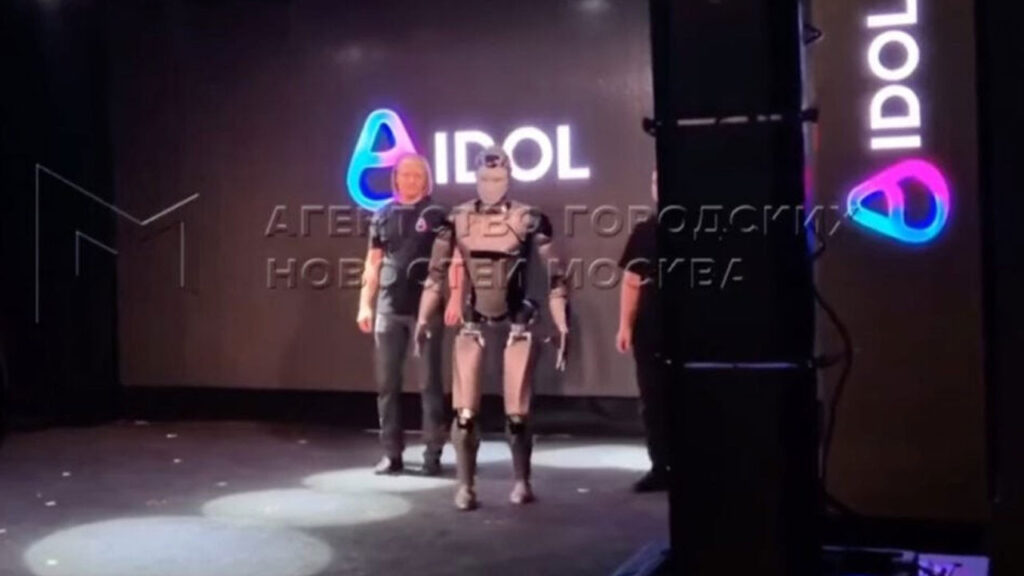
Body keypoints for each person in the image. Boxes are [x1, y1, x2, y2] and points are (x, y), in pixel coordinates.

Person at [415, 146, 570, 510]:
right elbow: (435, 276)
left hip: (517, 318)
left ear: (509, 178)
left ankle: (522, 480)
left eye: (498, 177)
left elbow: (556, 277)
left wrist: (562, 325)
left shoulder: (529, 218)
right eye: (485, 177)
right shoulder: (456, 219)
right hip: (474, 318)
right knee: (465, 413)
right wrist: (423, 318)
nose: (491, 184)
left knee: (517, 413)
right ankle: (465, 485)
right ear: (476, 178)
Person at [357, 153, 459, 476]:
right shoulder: (382, 214)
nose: (412, 179)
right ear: (396, 178)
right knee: (387, 384)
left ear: (426, 180)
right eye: (406, 174)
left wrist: (455, 298)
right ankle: (392, 453)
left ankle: (432, 453)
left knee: (430, 384)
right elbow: (373, 262)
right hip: (389, 309)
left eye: (418, 175)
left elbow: (454, 261)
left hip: (425, 310)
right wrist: (365, 303)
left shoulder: (438, 214)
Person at [616, 169, 669, 492]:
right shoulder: (645, 231)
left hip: (693, 324)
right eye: (654, 182)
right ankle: (660, 466)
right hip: (651, 324)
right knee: (652, 397)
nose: (657, 187)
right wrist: (625, 325)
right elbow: (631, 281)